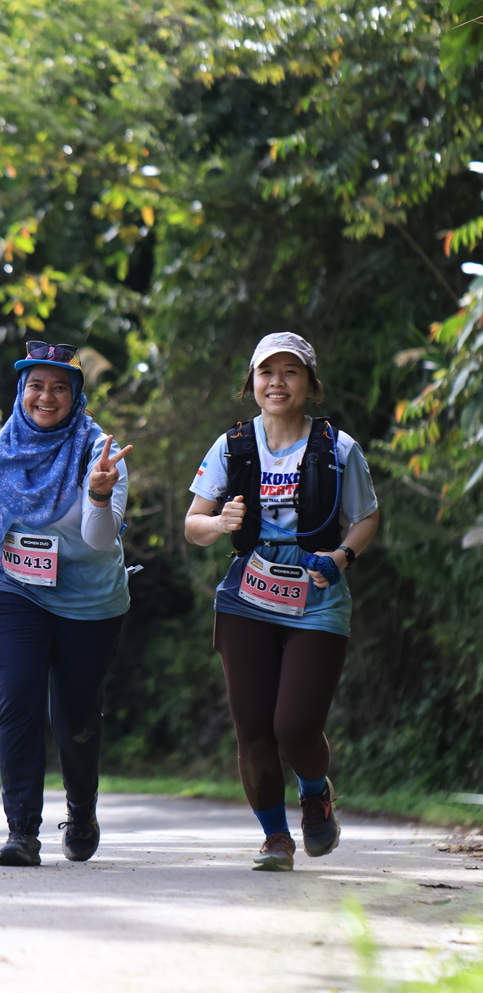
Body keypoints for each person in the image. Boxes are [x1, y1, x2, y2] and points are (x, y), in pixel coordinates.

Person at [0, 341, 132, 868]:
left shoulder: (100, 453)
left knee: (75, 717)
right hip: (14, 591)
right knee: (16, 697)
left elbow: (99, 539)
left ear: (76, 395)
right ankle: (22, 832)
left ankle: (81, 811)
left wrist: (99, 494)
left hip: (89, 603)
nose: (46, 397)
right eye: (36, 385)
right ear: (21, 390)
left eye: (60, 387)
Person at [184, 332, 378, 872]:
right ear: (251, 383)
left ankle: (315, 792)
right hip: (246, 596)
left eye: (290, 372)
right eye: (266, 373)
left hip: (317, 596)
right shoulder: (232, 446)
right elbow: (194, 525)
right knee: (253, 728)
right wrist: (219, 522)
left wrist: (340, 557)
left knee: (294, 727)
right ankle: (275, 837)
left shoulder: (338, 448)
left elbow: (366, 518)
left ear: (311, 385)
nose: (277, 383)